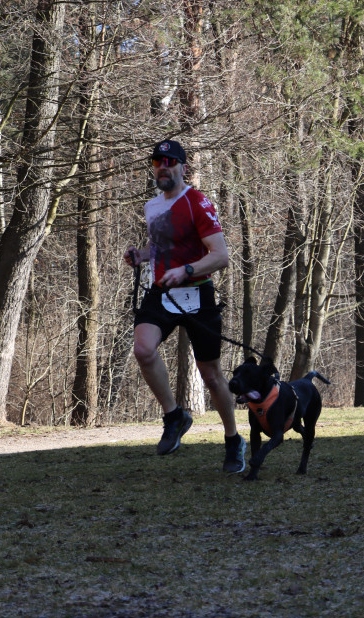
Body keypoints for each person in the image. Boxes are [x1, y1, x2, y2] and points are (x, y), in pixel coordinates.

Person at [123, 140, 247, 473]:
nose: (162, 166)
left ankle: (234, 440)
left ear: (182, 167)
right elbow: (160, 245)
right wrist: (142, 255)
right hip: (162, 292)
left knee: (211, 375)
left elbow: (220, 256)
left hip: (197, 296)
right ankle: (175, 415)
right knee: (143, 350)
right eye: (156, 162)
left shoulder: (197, 202)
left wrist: (187, 270)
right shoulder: (152, 207)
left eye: (169, 161)